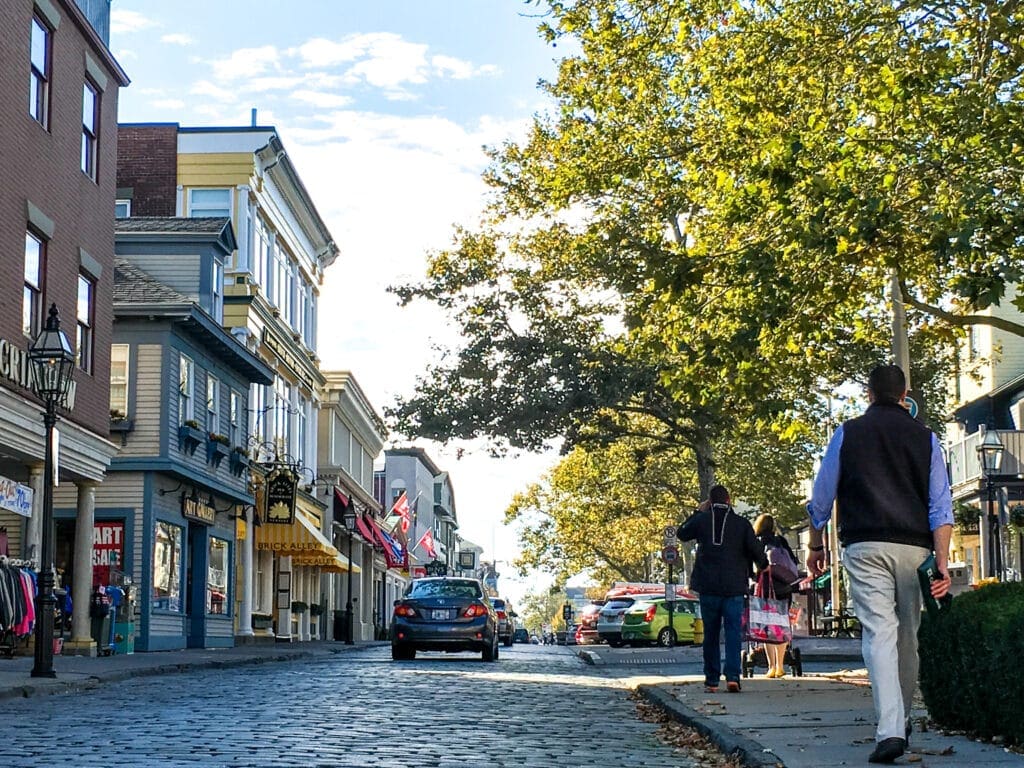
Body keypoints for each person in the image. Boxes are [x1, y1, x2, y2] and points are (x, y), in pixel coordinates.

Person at [807, 364, 953, 764]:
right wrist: (941, 565)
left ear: (869, 395)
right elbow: (941, 507)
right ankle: (899, 720)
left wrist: (816, 546)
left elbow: (822, 497)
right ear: (904, 395)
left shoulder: (847, 433)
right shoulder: (927, 439)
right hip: (914, 547)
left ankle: (890, 729)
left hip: (865, 542)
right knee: (908, 634)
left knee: (880, 634)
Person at [678, 484, 768, 693]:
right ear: (729, 500)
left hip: (708, 587)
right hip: (734, 587)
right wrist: (763, 566)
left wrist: (697, 512)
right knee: (733, 632)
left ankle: (711, 680)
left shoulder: (702, 520)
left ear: (709, 502)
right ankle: (733, 676)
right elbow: (757, 551)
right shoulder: (741, 524)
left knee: (711, 633)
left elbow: (682, 533)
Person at [752, 513, 798, 678]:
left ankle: (771, 667)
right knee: (782, 625)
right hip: (784, 589)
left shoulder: (757, 542)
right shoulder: (781, 541)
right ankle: (780, 664)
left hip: (764, 589)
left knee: (766, 626)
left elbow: (752, 568)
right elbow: (794, 562)